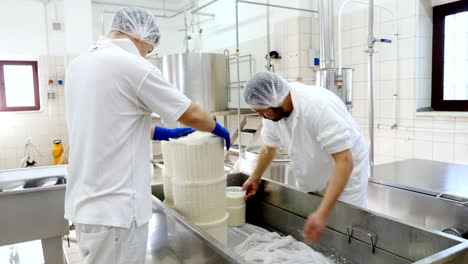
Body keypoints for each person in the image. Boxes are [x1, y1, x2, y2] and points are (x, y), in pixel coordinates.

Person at [64, 7, 230, 264]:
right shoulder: (132, 65)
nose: (146, 55)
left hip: (86, 206)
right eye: (149, 50)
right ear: (140, 36)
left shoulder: (78, 64)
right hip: (116, 212)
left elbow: (110, 123)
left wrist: (166, 132)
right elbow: (192, 113)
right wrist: (216, 127)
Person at [242, 71, 368, 243]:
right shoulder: (272, 114)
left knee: (345, 232)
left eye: (261, 112)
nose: (260, 116)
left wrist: (323, 213)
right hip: (316, 171)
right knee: (320, 232)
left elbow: (344, 161)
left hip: (345, 176)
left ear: (274, 102)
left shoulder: (317, 106)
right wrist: (254, 178)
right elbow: (268, 148)